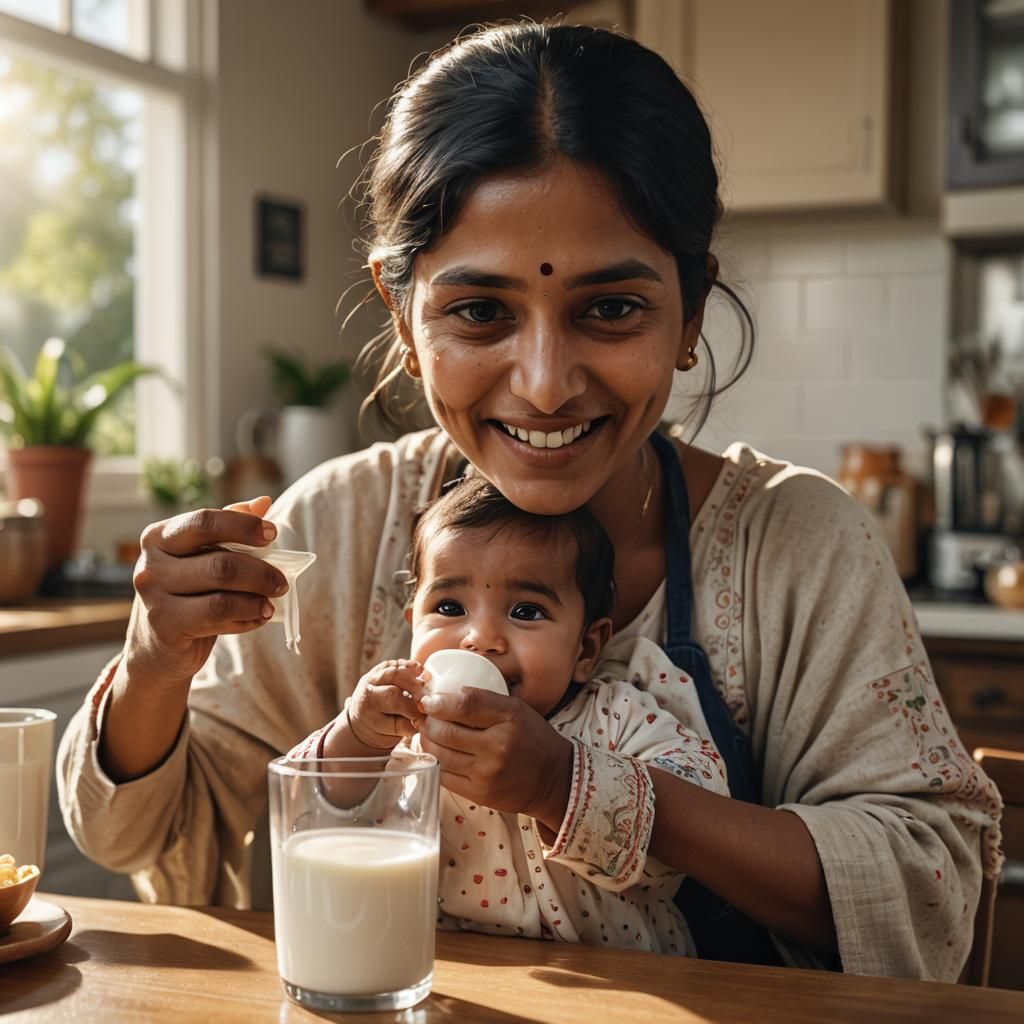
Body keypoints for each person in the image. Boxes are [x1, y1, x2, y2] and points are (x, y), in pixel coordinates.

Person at [57, 20, 1001, 979]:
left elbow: (925, 888)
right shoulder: (333, 530)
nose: (546, 384)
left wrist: (575, 786)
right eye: (479, 312)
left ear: (691, 315)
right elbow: (151, 838)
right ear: (406, 317)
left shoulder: (796, 545)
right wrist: (157, 657)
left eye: (610, 308)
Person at [287, 475, 729, 954]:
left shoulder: (618, 716)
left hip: (626, 986)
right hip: (460, 980)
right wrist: (355, 737)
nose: (480, 637)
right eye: (450, 606)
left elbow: (700, 809)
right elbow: (310, 821)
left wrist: (558, 783)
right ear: (413, 623)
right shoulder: (400, 734)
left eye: (526, 611)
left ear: (586, 646)